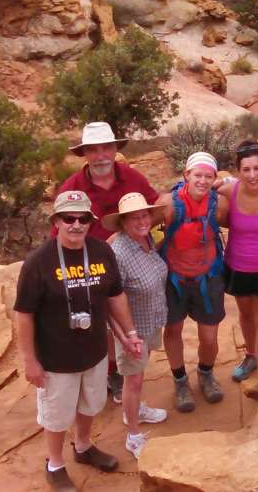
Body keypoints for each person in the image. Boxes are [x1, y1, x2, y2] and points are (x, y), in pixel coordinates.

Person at [14, 191, 144, 492]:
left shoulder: (101, 252)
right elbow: (23, 314)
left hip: (95, 352)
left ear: (91, 221)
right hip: (55, 358)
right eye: (68, 218)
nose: (76, 225)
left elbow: (115, 295)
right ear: (56, 221)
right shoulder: (38, 263)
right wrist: (29, 360)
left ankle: (83, 447)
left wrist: (130, 333)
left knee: (91, 404)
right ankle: (55, 464)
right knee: (57, 415)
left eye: (83, 218)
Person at [55, 122, 162, 406]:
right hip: (91, 267)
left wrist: (147, 239)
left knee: (126, 322)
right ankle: (108, 374)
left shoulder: (130, 177)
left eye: (106, 148)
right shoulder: (73, 188)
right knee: (100, 327)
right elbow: (59, 234)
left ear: (115, 150)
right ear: (85, 154)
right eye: (94, 150)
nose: (101, 155)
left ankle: (117, 375)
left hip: (129, 264)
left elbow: (156, 204)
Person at [101, 193, 169, 459]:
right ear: (123, 223)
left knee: (138, 375)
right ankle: (132, 435)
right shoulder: (119, 252)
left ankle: (137, 409)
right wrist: (125, 336)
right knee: (133, 379)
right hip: (132, 329)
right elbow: (110, 300)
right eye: (134, 217)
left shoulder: (147, 239)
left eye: (145, 215)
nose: (141, 221)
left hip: (150, 320)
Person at [160, 152, 226, 413]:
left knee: (209, 336)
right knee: (173, 330)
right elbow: (143, 228)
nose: (202, 180)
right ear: (186, 175)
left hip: (207, 276)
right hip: (174, 277)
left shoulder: (219, 204)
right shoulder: (168, 203)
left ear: (214, 178)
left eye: (208, 176)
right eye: (197, 174)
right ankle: (180, 381)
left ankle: (205, 373)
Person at [216, 141, 258, 381]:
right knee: (245, 316)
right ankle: (251, 355)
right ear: (238, 172)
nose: (252, 175)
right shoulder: (230, 191)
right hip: (237, 266)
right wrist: (223, 182)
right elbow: (203, 188)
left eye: (257, 168)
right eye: (246, 170)